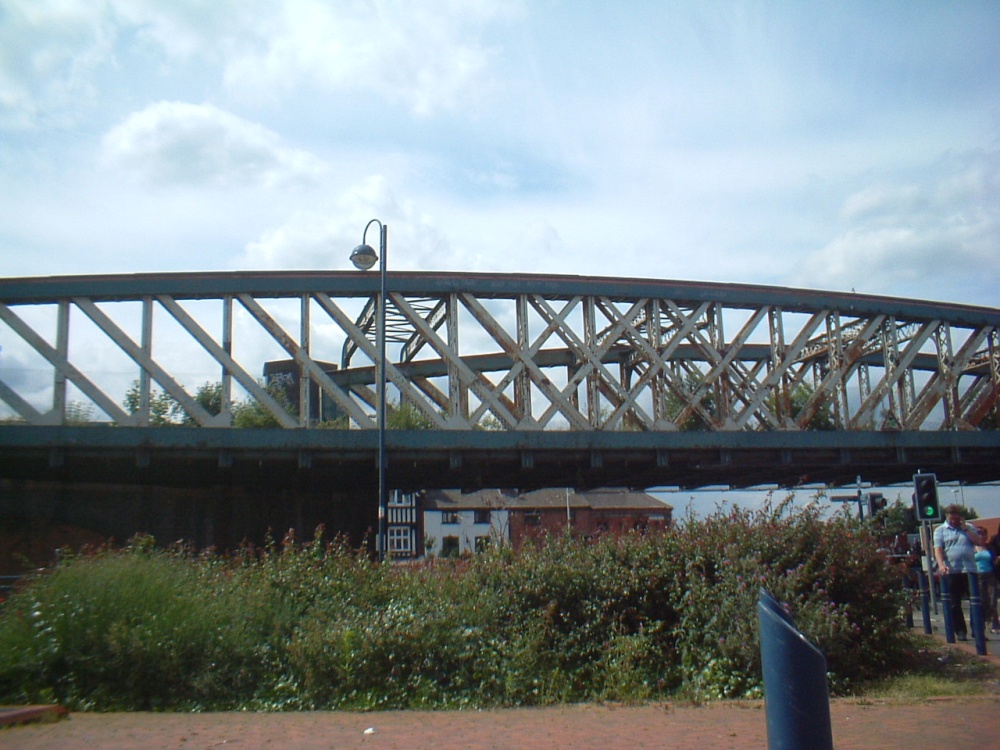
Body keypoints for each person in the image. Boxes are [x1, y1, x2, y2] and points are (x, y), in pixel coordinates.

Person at [933, 504, 986, 641]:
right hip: (952, 570)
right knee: (954, 603)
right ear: (947, 517)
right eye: (952, 519)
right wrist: (941, 565)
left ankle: (977, 630)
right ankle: (960, 631)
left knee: (976, 601)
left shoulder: (969, 527)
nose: (954, 522)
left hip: (969, 569)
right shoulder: (940, 530)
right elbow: (938, 549)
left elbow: (978, 541)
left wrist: (966, 529)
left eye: (956, 519)